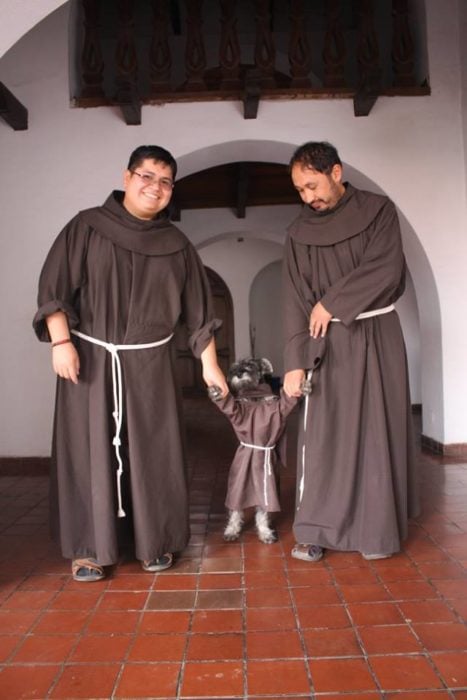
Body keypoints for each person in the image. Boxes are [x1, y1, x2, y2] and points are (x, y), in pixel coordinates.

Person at [33, 145, 228, 582]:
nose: (154, 187)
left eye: (165, 181)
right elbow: (54, 289)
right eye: (146, 176)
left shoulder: (176, 245)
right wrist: (60, 342)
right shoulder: (86, 227)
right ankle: (89, 549)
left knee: (154, 453)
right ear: (126, 177)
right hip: (89, 361)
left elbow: (199, 314)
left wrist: (210, 367)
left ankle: (154, 542)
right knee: (88, 453)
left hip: (151, 366)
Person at [282, 141, 419, 563]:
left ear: (336, 173)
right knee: (324, 437)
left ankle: (376, 530)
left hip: (377, 335)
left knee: (377, 433)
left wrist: (332, 303)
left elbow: (386, 267)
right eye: (300, 190)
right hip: (326, 345)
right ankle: (316, 528)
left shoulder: (378, 211)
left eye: (312, 185)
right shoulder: (298, 233)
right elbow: (294, 298)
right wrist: (294, 362)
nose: (308, 197)